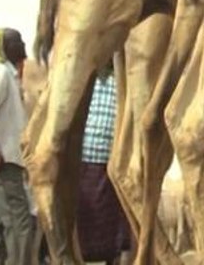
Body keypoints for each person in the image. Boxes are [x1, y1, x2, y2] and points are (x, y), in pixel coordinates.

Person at [0, 28, 37, 265]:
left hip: (6, 160)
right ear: (6, 47)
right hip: (2, 162)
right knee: (20, 223)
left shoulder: (10, 76)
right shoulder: (0, 73)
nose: (23, 45)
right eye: (18, 41)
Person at [75, 62, 131, 264]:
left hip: (109, 161)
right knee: (87, 218)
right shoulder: (87, 82)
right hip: (86, 158)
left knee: (111, 225)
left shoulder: (122, 85)